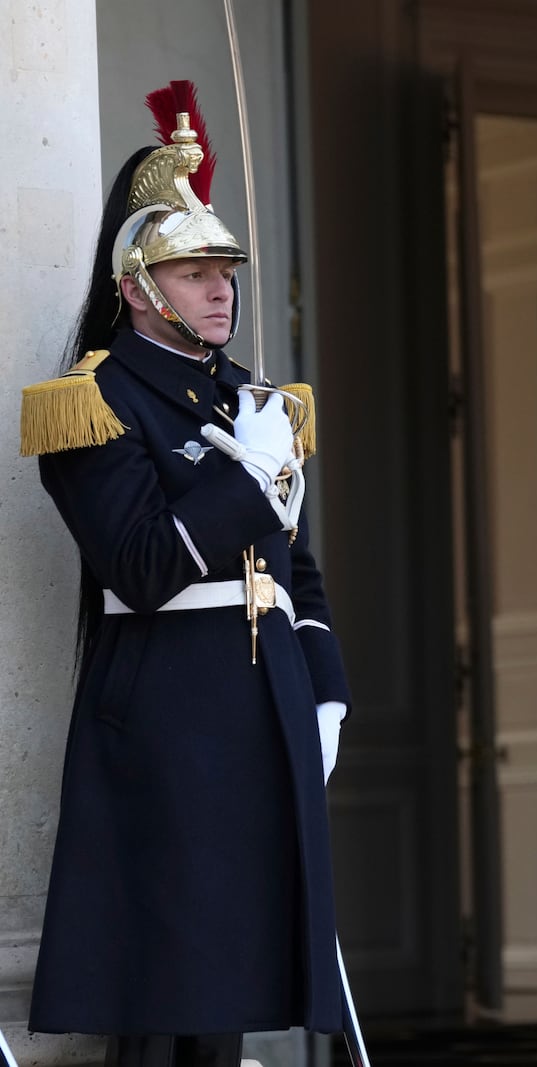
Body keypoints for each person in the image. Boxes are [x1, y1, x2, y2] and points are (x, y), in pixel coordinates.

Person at [19, 82, 349, 1066]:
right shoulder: (92, 402)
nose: (222, 290)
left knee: (238, 982)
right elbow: (142, 563)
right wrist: (246, 476)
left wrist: (326, 688)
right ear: (138, 287)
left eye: (224, 271)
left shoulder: (255, 400)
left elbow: (300, 568)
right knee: (169, 991)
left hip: (266, 708)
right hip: (169, 715)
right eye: (194, 272)